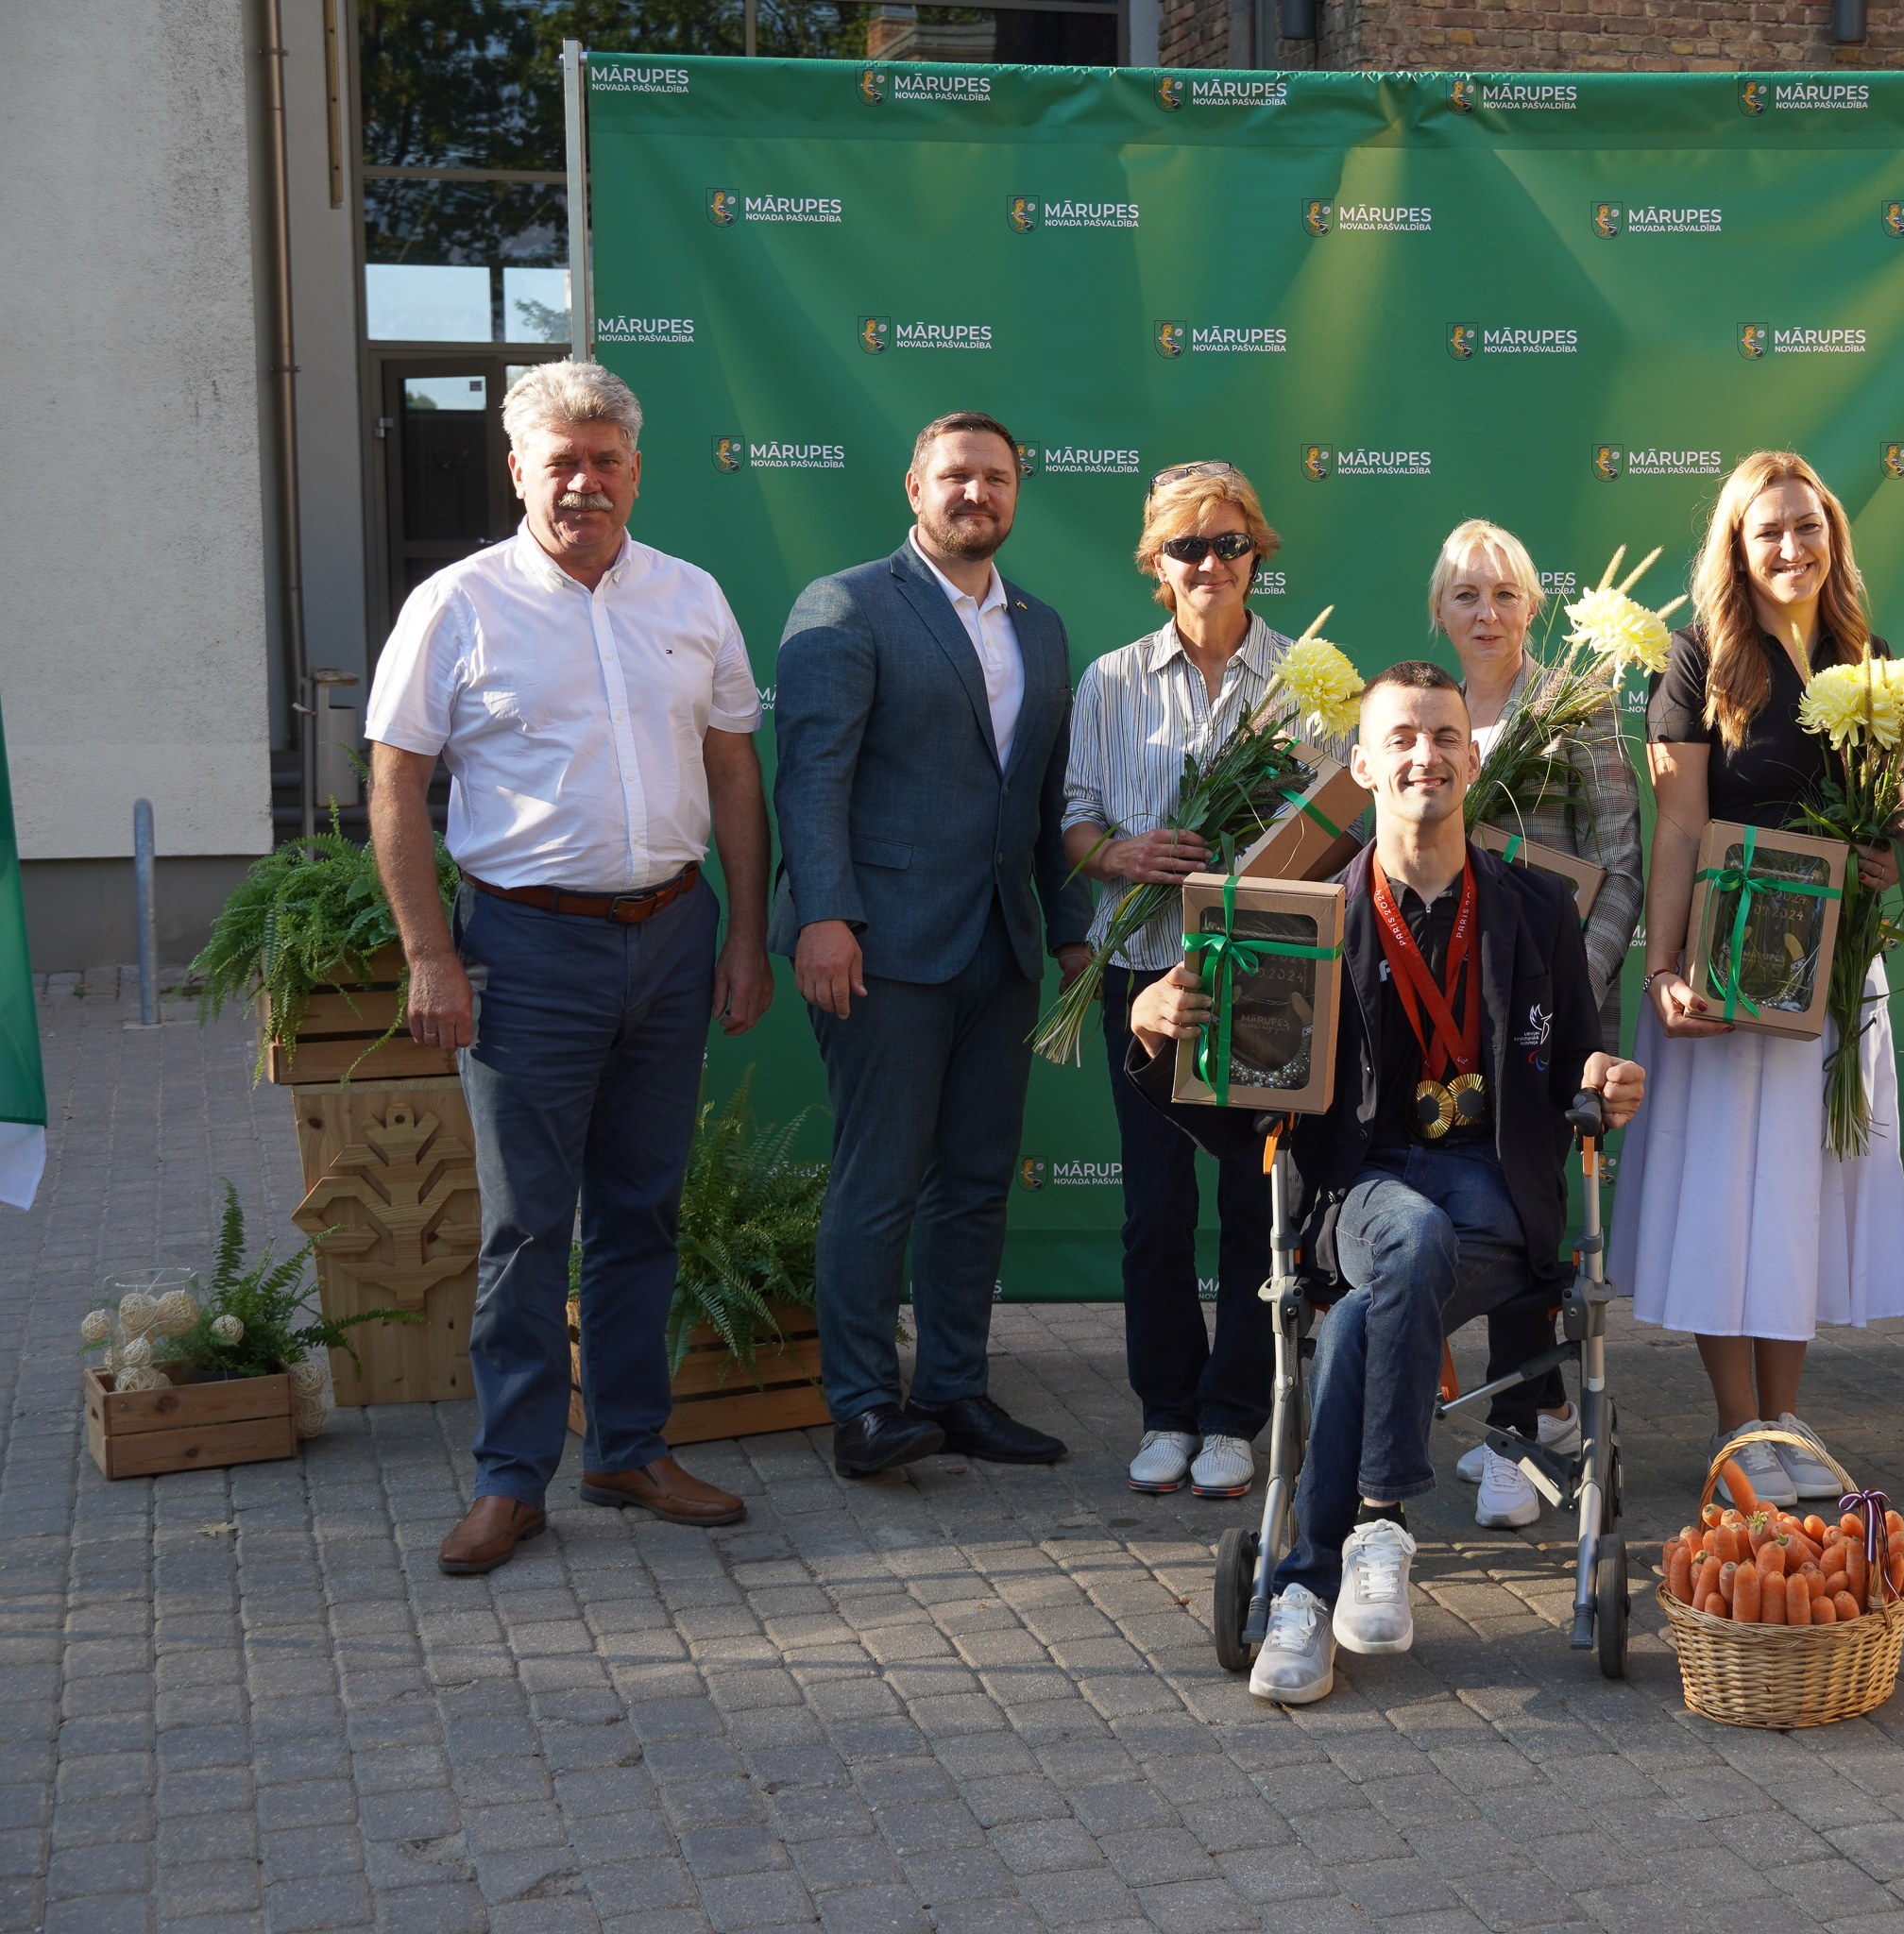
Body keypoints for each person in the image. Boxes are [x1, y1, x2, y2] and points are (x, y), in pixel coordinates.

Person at [1124, 661, 1645, 1704]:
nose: (1425, 755)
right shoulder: (1306, 917)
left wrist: (1606, 1078)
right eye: (1401, 737)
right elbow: (1240, 1097)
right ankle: (1368, 1530)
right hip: (1359, 1189)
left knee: (1371, 1307)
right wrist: (1153, 1029)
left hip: (1495, 1189)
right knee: (1399, 1246)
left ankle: (1319, 1579)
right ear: (1362, 765)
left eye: (1445, 736)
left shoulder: (1540, 909)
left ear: (1474, 757)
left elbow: (1581, 1059)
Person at [366, 361, 774, 1576]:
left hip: (671, 933)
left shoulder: (692, 598)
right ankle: (509, 1478)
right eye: (561, 462)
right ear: (518, 471)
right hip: (525, 947)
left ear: (636, 469)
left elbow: (736, 775)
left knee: (643, 1209)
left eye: (605, 461)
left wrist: (743, 932)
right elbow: (394, 782)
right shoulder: (458, 604)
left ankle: (629, 1447)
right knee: (528, 1226)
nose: (584, 483)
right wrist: (430, 952)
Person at [770, 409, 1092, 1479]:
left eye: (996, 478)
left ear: (1016, 492)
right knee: (880, 1179)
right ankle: (862, 1405)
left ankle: (955, 1389)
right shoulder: (849, 603)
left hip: (1000, 950)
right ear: (915, 488)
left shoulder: (1040, 627)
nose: (976, 495)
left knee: (976, 1181)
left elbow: (1043, 802)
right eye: (955, 476)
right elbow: (812, 775)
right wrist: (825, 916)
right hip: (882, 947)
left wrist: (1075, 932)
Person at [1611, 450, 1904, 1509]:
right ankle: (1737, 1423)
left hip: (1834, 965)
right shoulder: (1698, 661)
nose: (1792, 547)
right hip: (1729, 964)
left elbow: (1889, 818)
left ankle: (1784, 1414)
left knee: (1796, 1197)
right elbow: (1681, 822)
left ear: (1834, 535)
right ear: (1736, 549)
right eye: (1768, 530)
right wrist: (1662, 965)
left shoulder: (1869, 660)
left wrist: (1885, 858)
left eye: (1808, 526)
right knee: (1724, 1192)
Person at [1062, 462, 1300, 1501]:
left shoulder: (1309, 680)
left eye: (1229, 542)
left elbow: (1342, 832)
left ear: (1260, 553)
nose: (1210, 563)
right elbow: (1071, 818)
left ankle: (1234, 1414)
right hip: (1143, 972)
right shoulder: (1110, 680)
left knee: (1259, 1206)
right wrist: (1120, 856)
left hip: (1262, 982)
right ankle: (1165, 1407)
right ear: (1156, 563)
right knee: (1155, 1209)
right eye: (1186, 547)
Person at [1427, 519, 1644, 1530]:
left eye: (1505, 593)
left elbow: (1622, 865)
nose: (1486, 612)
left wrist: (1571, 989)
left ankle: (1514, 1431)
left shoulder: (1580, 710)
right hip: (1438, 1012)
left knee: (1527, 1205)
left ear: (1534, 607)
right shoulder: (1425, 717)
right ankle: (1546, 1403)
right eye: (1466, 594)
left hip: (1544, 1014)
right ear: (1440, 609)